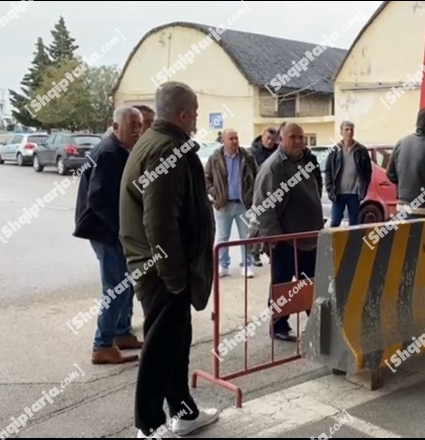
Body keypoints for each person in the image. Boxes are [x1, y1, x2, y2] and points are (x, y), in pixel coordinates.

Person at [119, 81, 219, 437]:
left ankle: (184, 410)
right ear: (183, 114)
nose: (196, 119)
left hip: (165, 269)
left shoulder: (159, 143)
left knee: (176, 341)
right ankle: (148, 425)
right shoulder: (166, 151)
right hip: (163, 271)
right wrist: (176, 278)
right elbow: (159, 222)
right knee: (161, 346)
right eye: (194, 112)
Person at [73, 106, 144, 365]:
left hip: (115, 232)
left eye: (139, 124)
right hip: (106, 232)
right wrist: (121, 229)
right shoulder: (108, 152)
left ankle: (122, 332)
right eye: (132, 125)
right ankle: (102, 345)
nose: (138, 130)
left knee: (126, 283)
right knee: (115, 287)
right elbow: (99, 199)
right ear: (116, 127)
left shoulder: (120, 150)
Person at [251, 122, 323, 342]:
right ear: (280, 140)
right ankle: (279, 325)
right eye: (293, 137)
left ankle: (316, 326)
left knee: (309, 284)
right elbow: (263, 208)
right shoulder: (274, 167)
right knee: (283, 285)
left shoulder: (304, 161)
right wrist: (278, 241)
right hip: (286, 241)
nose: (299, 141)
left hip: (309, 239)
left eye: (301, 137)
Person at [205, 128, 260, 278]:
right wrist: (215, 193)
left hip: (243, 203)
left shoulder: (247, 156)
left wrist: (252, 195)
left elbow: (257, 176)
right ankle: (223, 266)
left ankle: (246, 265)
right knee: (223, 237)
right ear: (223, 140)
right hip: (223, 204)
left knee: (245, 236)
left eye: (236, 138)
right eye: (231, 138)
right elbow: (206, 177)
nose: (235, 141)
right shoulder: (215, 158)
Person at [324, 121, 372, 227]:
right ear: (341, 132)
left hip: (354, 194)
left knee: (354, 223)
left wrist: (364, 189)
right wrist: (330, 189)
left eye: (351, 129)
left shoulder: (361, 150)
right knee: (335, 221)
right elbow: (328, 171)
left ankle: (354, 243)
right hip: (338, 193)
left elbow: (368, 172)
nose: (349, 132)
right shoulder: (335, 151)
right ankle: (334, 244)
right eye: (346, 129)